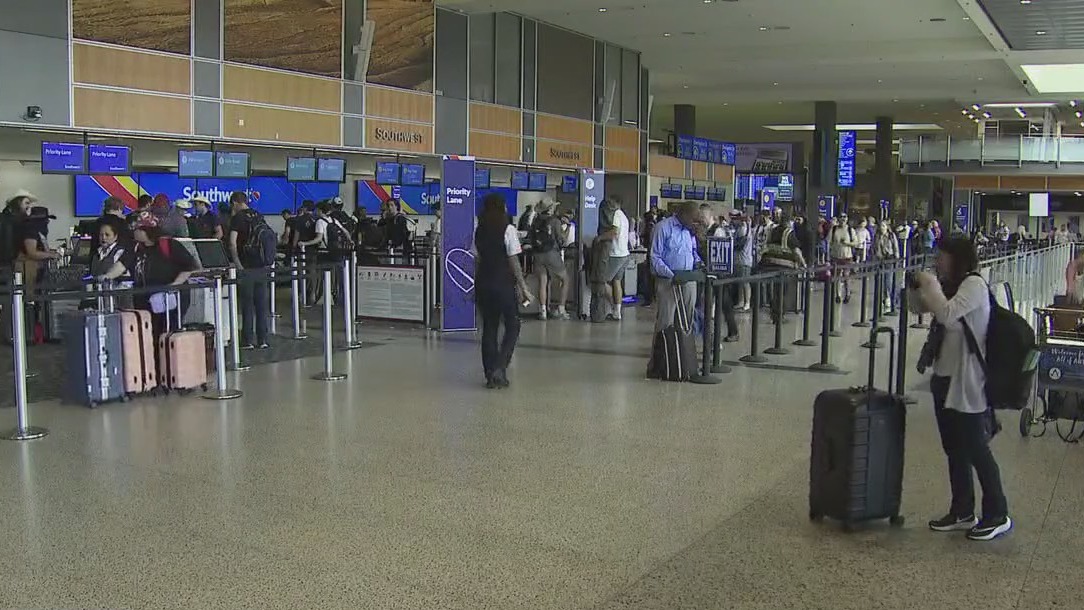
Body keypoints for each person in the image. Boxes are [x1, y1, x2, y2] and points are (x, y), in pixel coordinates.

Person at [912, 236, 1012, 541]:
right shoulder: (950, 285)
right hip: (944, 376)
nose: (938, 260)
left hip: (968, 380)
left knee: (976, 448)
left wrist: (928, 284)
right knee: (954, 448)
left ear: (957, 257)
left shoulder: (974, 285)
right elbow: (923, 309)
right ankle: (963, 510)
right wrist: (917, 288)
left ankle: (998, 513)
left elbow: (944, 314)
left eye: (942, 255)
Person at [97, 216, 198, 341]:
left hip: (169, 300)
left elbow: (189, 267)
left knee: (167, 333)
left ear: (147, 230)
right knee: (149, 334)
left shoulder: (169, 245)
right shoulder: (135, 247)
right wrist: (107, 276)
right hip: (145, 300)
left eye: (137, 229)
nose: (134, 231)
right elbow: (122, 265)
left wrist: (173, 285)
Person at [474, 193, 533, 389]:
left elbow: (477, 259)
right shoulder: (508, 229)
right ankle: (500, 365)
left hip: (483, 283)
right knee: (513, 325)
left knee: (489, 328)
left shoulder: (479, 230)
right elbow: (513, 260)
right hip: (503, 284)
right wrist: (523, 287)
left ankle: (490, 373)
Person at [227, 191, 274, 349]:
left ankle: (247, 340)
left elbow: (232, 243)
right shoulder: (258, 215)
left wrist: (237, 264)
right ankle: (263, 340)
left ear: (234, 203)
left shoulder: (238, 218)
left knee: (247, 305)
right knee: (261, 304)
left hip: (246, 265)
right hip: (262, 266)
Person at [649, 202, 701, 334]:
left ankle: (683, 350)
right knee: (665, 320)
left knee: (687, 319)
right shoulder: (663, 228)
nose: (694, 223)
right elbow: (655, 257)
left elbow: (692, 251)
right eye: (693, 219)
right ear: (683, 215)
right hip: (668, 280)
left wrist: (698, 263)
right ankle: (661, 351)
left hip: (688, 278)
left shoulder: (689, 231)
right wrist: (671, 275)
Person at [528, 200, 569, 320]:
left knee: (543, 281)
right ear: (550, 208)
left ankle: (543, 311)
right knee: (565, 279)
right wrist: (568, 226)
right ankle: (561, 309)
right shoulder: (555, 221)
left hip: (538, 254)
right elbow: (562, 239)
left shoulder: (535, 220)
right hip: (551, 254)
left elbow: (530, 237)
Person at [598, 197, 631, 321]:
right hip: (624, 253)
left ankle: (612, 306)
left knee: (602, 281)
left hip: (616, 254)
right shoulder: (624, 216)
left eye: (611, 203)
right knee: (617, 281)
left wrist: (600, 238)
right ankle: (617, 311)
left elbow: (614, 232)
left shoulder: (616, 214)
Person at [828, 215, 857, 303]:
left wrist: (847, 243)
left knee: (846, 276)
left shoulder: (850, 230)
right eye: (841, 217)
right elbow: (828, 241)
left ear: (847, 219)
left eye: (845, 217)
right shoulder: (833, 230)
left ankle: (847, 294)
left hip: (847, 256)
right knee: (836, 276)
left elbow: (856, 242)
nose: (843, 219)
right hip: (836, 256)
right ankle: (838, 295)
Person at [731, 210, 753, 311]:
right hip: (739, 260)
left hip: (744, 260)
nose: (732, 221)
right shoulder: (739, 229)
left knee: (745, 282)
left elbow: (739, 245)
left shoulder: (743, 229)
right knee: (740, 281)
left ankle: (747, 302)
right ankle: (741, 301)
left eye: (734, 219)